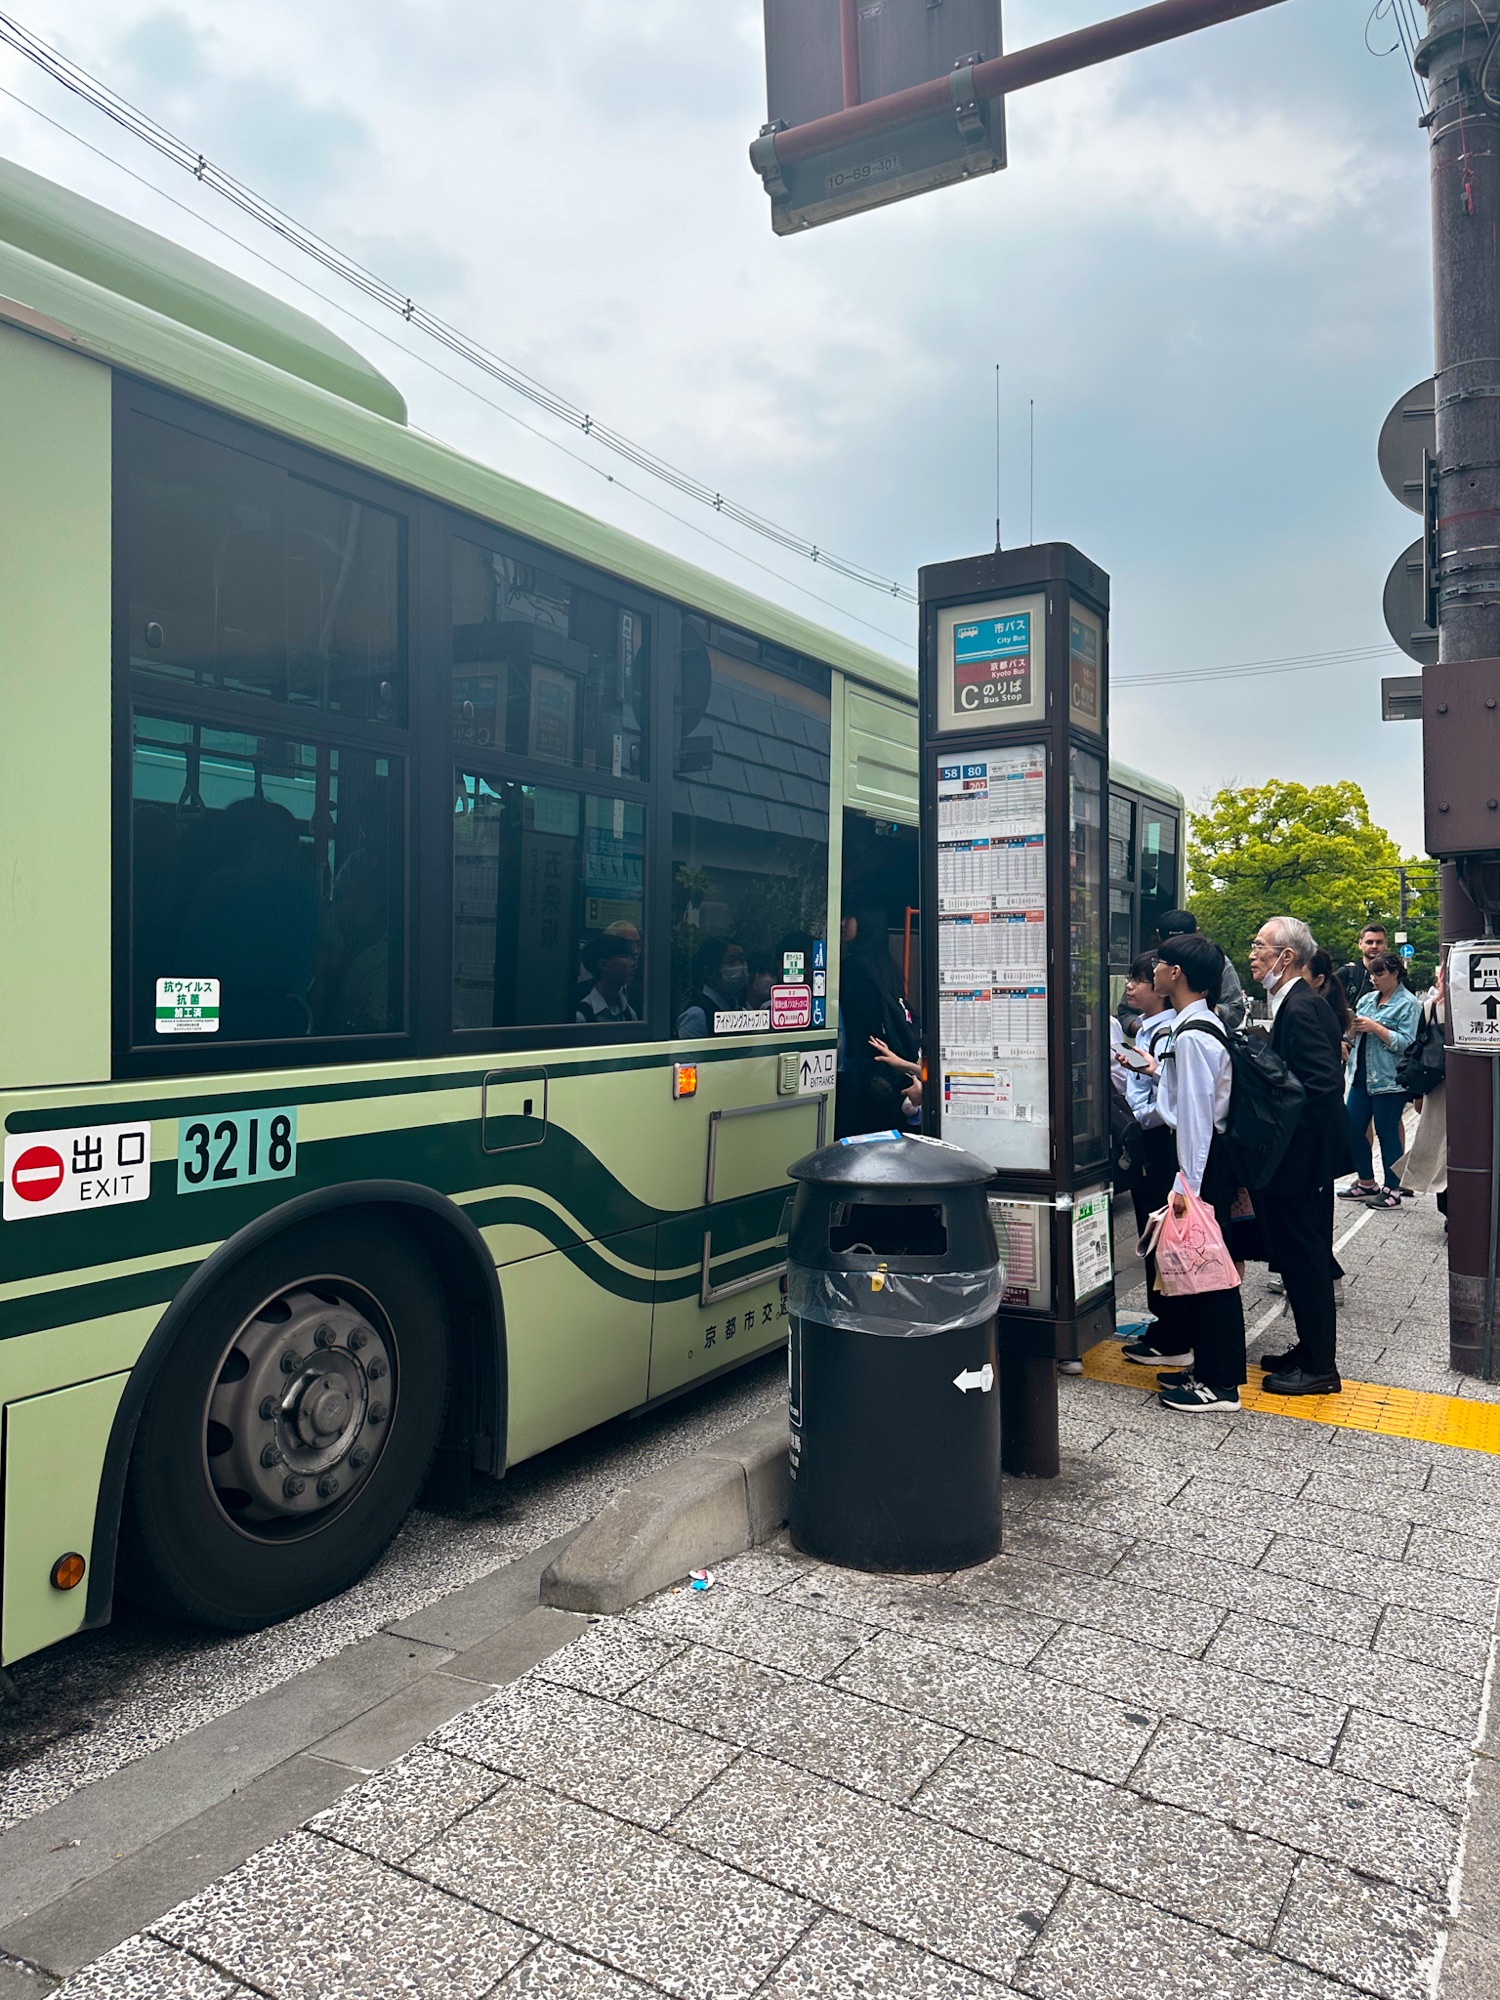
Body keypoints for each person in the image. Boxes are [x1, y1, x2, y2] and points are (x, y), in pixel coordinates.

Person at [1122, 932, 1247, 1413]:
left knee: (1210, 1270)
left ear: (1175, 974)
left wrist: (1187, 1191)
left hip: (1200, 1163)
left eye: (1160, 965)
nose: (1152, 972)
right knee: (1207, 1269)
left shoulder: (1193, 1035)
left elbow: (1195, 1118)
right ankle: (1209, 1370)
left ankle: (1221, 1384)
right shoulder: (1198, 1025)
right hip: (1203, 1160)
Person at [1245, 916, 1354, 1394]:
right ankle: (1308, 1350)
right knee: (1294, 1258)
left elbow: (1323, 1088)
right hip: (1300, 1159)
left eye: (1260, 946)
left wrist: (1287, 1145)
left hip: (1303, 1160)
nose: (1253, 954)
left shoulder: (1303, 1007)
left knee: (1306, 1260)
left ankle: (1320, 1367)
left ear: (1286, 957)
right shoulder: (1294, 1002)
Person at [1112, 953, 1191, 1369]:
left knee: (1161, 1237)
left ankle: (1173, 1334)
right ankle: (1167, 1327)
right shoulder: (1149, 1030)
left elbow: (1169, 1099)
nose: (1131, 987)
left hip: (1159, 1144)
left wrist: (1137, 1116)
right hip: (1153, 1140)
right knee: (1155, 1236)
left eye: (1139, 980)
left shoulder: (1169, 1033)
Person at [1342, 951, 1422, 1207]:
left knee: (1387, 1133)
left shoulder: (1408, 1004)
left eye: (1380, 973)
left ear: (1395, 973)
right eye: (1372, 974)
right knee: (1352, 1129)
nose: (1374, 979)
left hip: (1389, 1078)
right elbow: (1352, 1035)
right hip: (1361, 1075)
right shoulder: (1366, 999)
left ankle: (1393, 1188)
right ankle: (1366, 1181)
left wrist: (1377, 1028)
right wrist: (1351, 1031)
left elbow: (1408, 1043)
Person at [836, 906, 919, 1136]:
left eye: (848, 917)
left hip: (865, 1066)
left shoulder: (854, 967)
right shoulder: (886, 962)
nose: (842, 923)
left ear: (865, 921)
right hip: (887, 1068)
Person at [1399, 960, 1448, 1217]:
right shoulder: (1431, 1007)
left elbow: (1419, 1051)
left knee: (1440, 1145)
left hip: (1437, 1085)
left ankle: (1449, 1207)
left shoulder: (1431, 1008)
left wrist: (1417, 1093)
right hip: (1444, 1087)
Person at [1156, 908, 1247, 1031]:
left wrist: (1204, 1011)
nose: (1179, 948)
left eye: (1186, 942)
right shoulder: (1150, 963)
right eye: (1171, 942)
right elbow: (1126, 1011)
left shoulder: (1215, 961)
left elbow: (1235, 1009)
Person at [675, 937, 748, 1037]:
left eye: (742, 960)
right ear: (710, 972)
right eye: (731, 962)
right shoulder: (697, 1016)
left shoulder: (742, 1011)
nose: (740, 966)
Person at [575, 933, 639, 1024]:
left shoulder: (629, 1013)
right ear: (603, 965)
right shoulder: (581, 1016)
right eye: (626, 957)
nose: (633, 964)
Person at [1337, 923, 1388, 1011]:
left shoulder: (1395, 977)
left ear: (1386, 944)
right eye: (1369, 942)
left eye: (1379, 942)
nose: (1374, 946)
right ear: (1360, 944)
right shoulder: (1346, 973)